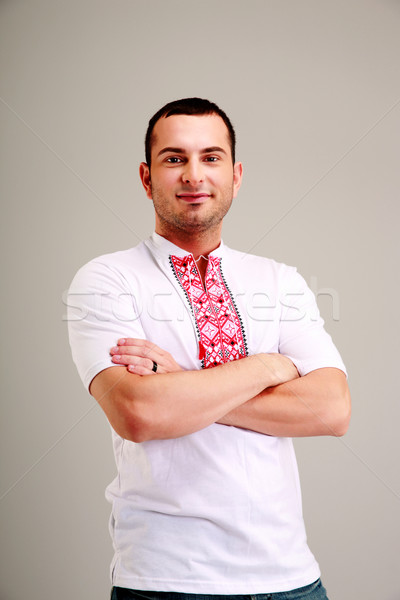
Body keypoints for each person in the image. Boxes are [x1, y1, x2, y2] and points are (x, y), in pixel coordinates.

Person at [67, 97, 351, 600]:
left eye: (211, 157)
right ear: (146, 177)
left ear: (236, 175)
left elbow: (330, 410)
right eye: (174, 158)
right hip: (164, 579)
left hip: (290, 580)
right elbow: (139, 413)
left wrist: (180, 379)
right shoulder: (106, 279)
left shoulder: (280, 281)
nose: (194, 175)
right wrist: (270, 365)